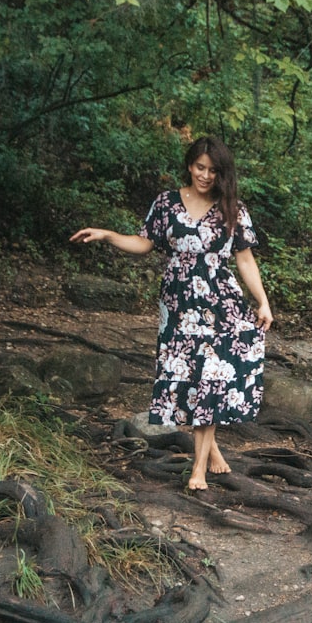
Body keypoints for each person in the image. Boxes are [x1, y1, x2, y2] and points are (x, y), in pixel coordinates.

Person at [71, 136, 273, 491]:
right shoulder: (166, 203)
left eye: (213, 170)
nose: (205, 176)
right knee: (190, 378)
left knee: (212, 377)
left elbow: (244, 258)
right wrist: (107, 235)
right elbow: (144, 242)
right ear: (189, 165)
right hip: (178, 304)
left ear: (222, 172)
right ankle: (211, 451)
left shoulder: (233, 209)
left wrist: (263, 301)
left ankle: (198, 470)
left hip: (220, 303)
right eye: (199, 167)